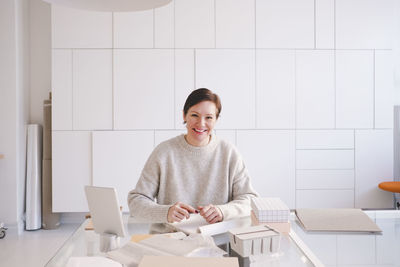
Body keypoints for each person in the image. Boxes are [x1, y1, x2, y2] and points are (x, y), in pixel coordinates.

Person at [128, 88, 258, 228]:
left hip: (217, 242)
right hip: (170, 241)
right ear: (184, 115)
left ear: (216, 120)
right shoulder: (164, 152)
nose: (201, 123)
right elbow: (136, 202)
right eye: (194, 115)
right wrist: (166, 212)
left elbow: (250, 200)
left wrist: (223, 211)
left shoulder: (229, 153)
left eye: (209, 117)